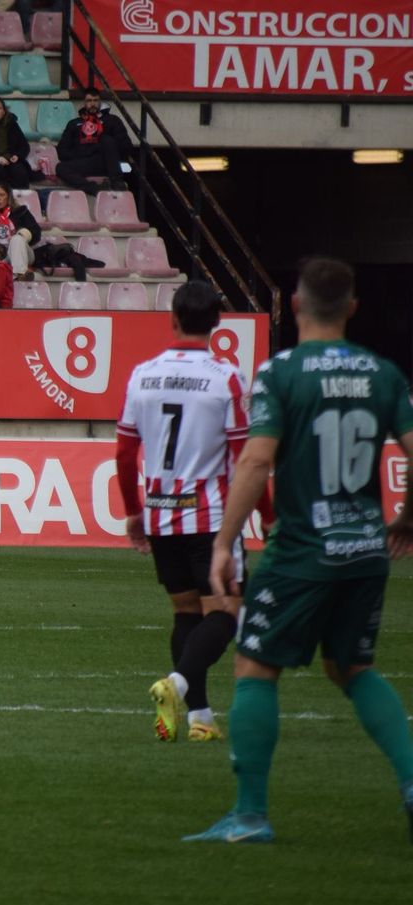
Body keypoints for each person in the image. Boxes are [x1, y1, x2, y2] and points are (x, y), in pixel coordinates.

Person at [189, 257, 413, 845]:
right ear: (353, 308)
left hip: (303, 549)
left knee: (254, 667)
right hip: (366, 545)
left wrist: (223, 540)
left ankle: (249, 815)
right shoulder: (383, 373)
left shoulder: (282, 372)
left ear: (293, 304)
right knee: (352, 667)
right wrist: (406, 518)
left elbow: (258, 459)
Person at [114, 281, 258, 744]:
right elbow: (245, 456)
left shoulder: (142, 374)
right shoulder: (226, 376)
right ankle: (176, 686)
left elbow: (123, 453)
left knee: (185, 613)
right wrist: (269, 515)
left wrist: (135, 512)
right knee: (228, 612)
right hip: (210, 517)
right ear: (218, 324)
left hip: (160, 513)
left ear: (172, 318)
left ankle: (200, 718)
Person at [56, 86, 130, 192]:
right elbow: (62, 151)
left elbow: (126, 147)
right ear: (84, 103)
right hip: (83, 161)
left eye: (95, 100)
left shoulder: (112, 121)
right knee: (61, 167)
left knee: (107, 140)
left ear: (100, 102)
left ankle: (116, 182)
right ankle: (94, 189)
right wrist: (81, 153)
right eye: (89, 101)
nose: (92, 104)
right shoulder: (74, 124)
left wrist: (105, 147)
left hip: (104, 162)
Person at [0, 181, 38, 278]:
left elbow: (36, 233)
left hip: (22, 252)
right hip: (0, 255)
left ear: (9, 196)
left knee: (16, 239)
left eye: (2, 195)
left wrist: (23, 234)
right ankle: (16, 277)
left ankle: (18, 275)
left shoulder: (20, 212)